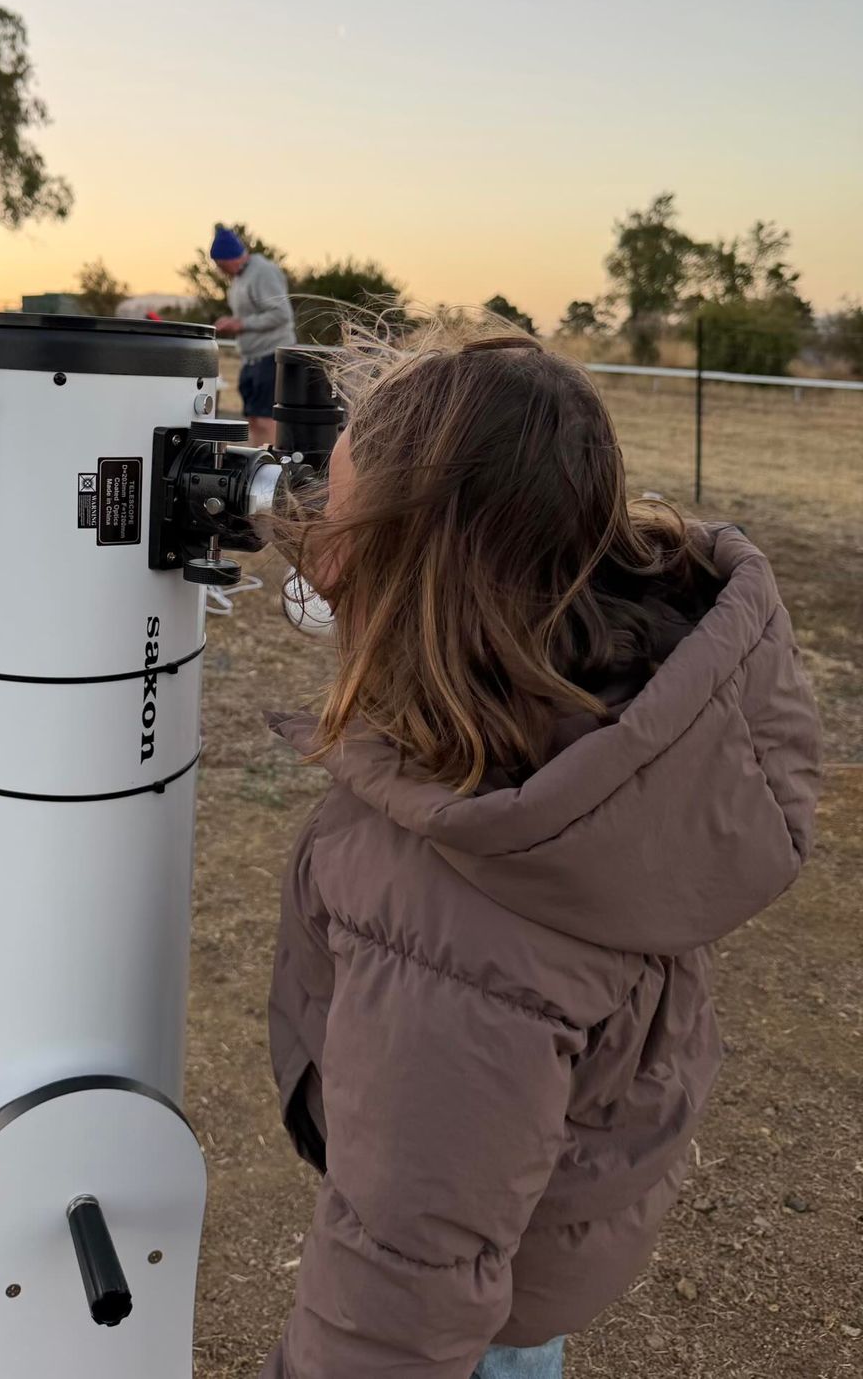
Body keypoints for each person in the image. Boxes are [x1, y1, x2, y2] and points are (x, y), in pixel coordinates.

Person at [262, 318, 820, 1379]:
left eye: (334, 530)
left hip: (461, 1299)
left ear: (416, 573)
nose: (315, 561)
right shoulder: (614, 728)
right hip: (529, 1234)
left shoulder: (451, 897)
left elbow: (402, 1273)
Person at [209, 224, 295, 445]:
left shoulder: (263, 272)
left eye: (219, 264)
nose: (220, 270)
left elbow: (281, 314)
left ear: (229, 257)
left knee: (267, 419)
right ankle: (257, 463)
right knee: (253, 418)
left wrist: (240, 324)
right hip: (251, 357)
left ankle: (273, 468)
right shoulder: (239, 278)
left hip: (270, 355)